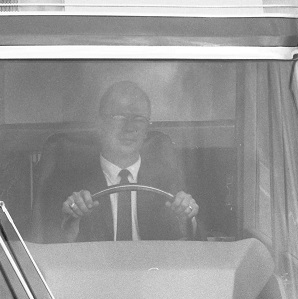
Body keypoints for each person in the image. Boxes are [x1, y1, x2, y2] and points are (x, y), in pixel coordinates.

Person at [44, 81, 199, 242]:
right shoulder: (69, 181)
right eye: (119, 117)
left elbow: (195, 245)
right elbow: (49, 247)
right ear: (100, 125)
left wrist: (187, 221)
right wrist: (71, 226)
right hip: (94, 266)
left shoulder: (168, 179)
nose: (129, 128)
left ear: (147, 129)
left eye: (138, 119)